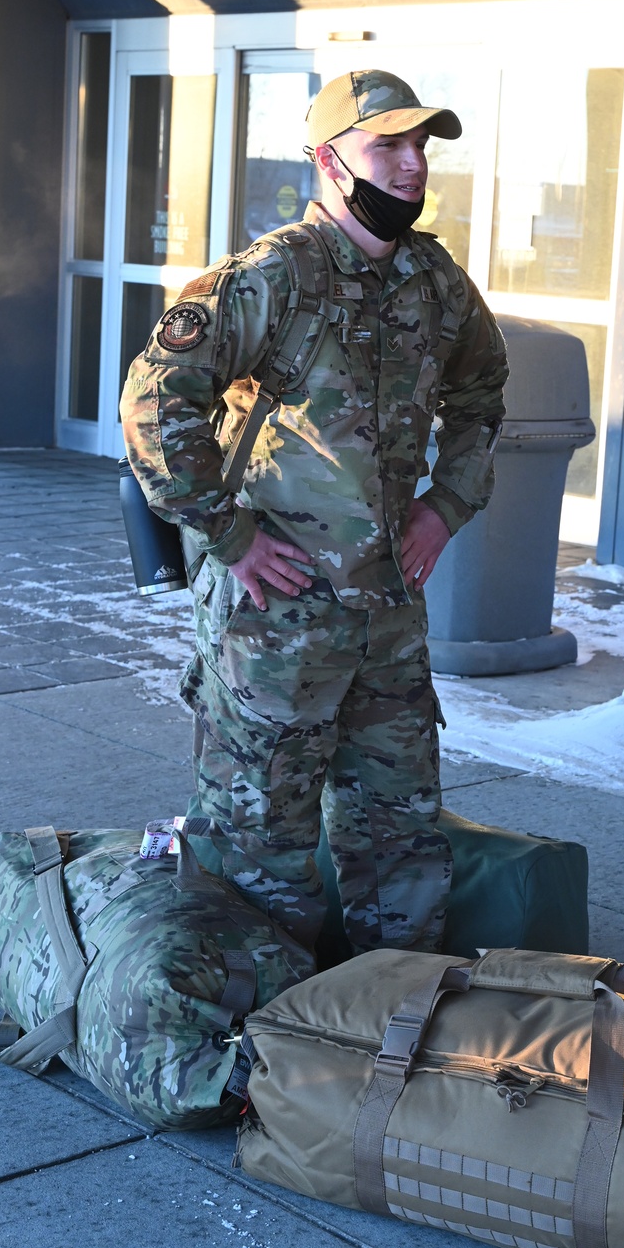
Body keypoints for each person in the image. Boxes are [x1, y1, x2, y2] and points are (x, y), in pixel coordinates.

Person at [120, 70, 508, 955]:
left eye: (421, 147)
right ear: (332, 161)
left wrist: (445, 507)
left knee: (400, 843)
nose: (412, 165)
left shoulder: (434, 281)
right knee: (258, 852)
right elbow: (155, 399)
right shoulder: (275, 277)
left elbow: (483, 395)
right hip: (275, 624)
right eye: (389, 147)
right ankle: (257, 1058)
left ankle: (390, 1034)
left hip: (387, 625)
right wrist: (228, 533)